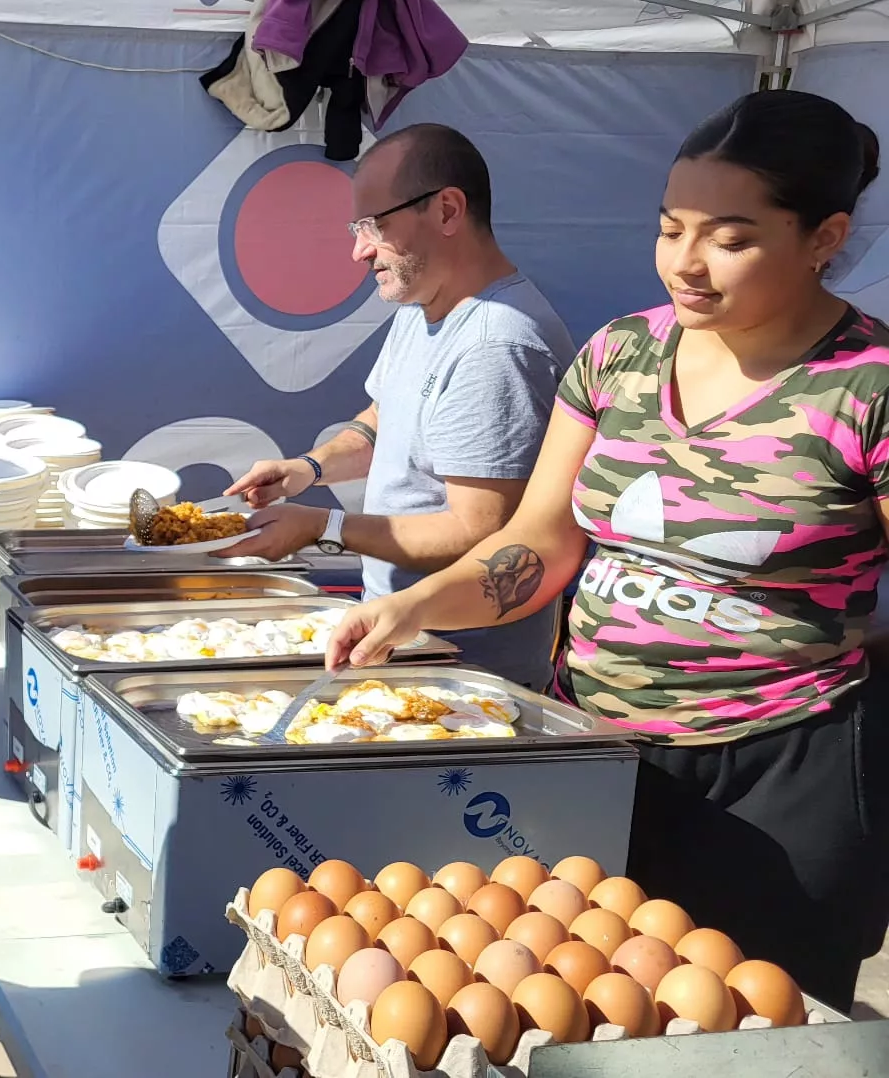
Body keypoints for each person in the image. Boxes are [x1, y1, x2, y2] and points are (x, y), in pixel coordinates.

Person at [328, 90, 889, 1010]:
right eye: (671, 230)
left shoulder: (868, 388)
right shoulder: (618, 354)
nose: (688, 265)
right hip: (595, 753)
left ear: (824, 236)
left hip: (784, 774)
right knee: (577, 1015)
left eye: (731, 239)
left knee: (755, 1035)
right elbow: (539, 545)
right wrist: (412, 608)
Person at [218, 124, 573, 690]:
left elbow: (483, 532)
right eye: (357, 227)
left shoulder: (497, 343)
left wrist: (322, 526)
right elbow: (384, 420)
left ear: (448, 211)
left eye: (375, 225)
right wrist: (305, 470)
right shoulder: (424, 305)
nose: (359, 249)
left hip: (468, 677)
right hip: (405, 649)